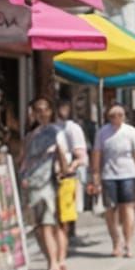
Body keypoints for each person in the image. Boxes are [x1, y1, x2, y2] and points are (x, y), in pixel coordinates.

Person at [18, 97, 70, 270]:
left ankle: (53, 265)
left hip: (46, 184)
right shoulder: (31, 135)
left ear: (49, 111)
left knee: (47, 226)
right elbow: (23, 158)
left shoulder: (55, 131)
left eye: (44, 110)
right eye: (37, 110)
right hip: (31, 183)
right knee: (39, 228)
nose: (40, 114)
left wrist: (64, 172)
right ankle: (54, 262)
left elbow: (62, 153)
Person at [91, 105, 135, 258]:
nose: (116, 118)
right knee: (110, 210)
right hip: (108, 175)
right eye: (113, 115)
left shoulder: (130, 131)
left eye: (120, 115)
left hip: (128, 174)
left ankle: (128, 243)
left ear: (124, 116)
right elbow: (97, 154)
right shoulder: (102, 132)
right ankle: (116, 242)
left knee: (128, 208)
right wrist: (95, 176)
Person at [56, 100, 90, 247]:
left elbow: (80, 154)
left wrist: (71, 166)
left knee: (67, 207)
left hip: (66, 172)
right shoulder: (49, 128)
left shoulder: (71, 128)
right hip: (49, 172)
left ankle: (69, 235)